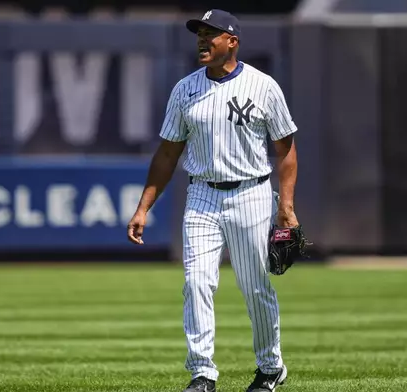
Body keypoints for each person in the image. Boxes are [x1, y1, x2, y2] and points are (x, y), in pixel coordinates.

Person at [127, 9, 299, 392]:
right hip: (202, 194)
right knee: (197, 282)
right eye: (200, 34)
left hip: (252, 193)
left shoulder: (263, 86)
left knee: (255, 286)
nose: (203, 41)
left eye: (212, 34)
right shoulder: (185, 89)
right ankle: (202, 373)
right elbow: (168, 154)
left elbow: (285, 150)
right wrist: (143, 208)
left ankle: (271, 367)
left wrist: (285, 208)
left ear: (232, 41)